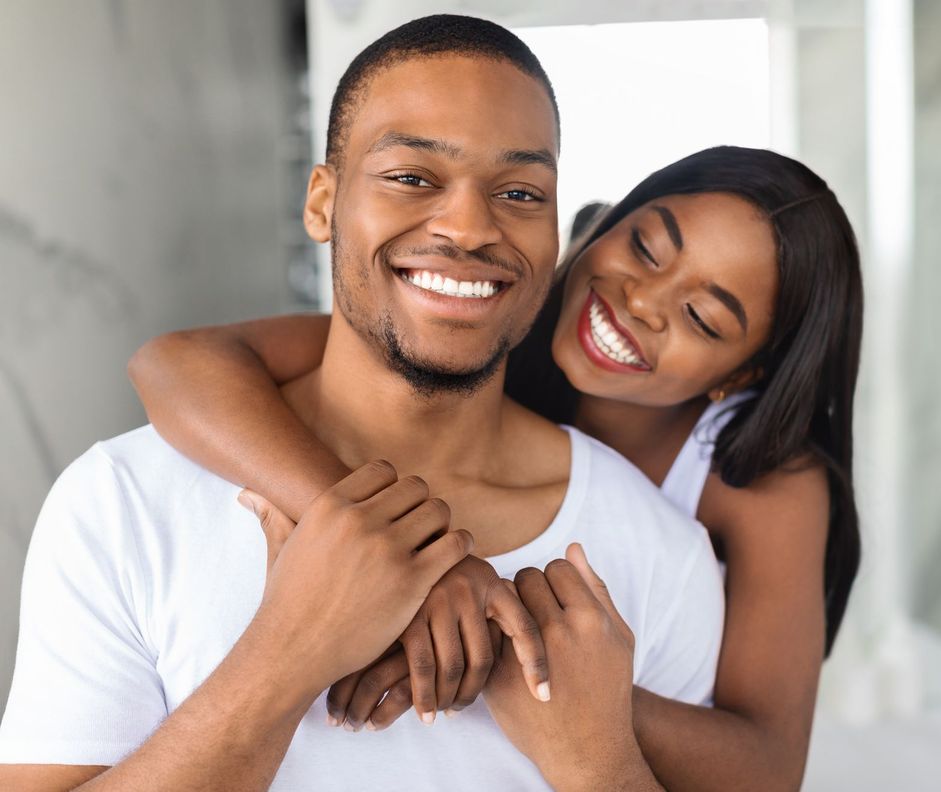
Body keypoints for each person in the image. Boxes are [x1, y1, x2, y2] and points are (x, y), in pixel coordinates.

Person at [0, 15, 725, 792]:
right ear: (323, 203)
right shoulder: (121, 502)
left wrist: (597, 762)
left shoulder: (660, 557)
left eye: (519, 192)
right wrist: (289, 651)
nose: (471, 227)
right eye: (413, 177)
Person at [125, 142, 864, 788]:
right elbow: (175, 364)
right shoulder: (487, 313)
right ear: (607, 221)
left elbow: (767, 768)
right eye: (644, 248)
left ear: (743, 374)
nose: (641, 301)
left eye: (704, 318)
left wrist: (529, 664)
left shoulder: (769, 478)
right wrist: (400, 560)